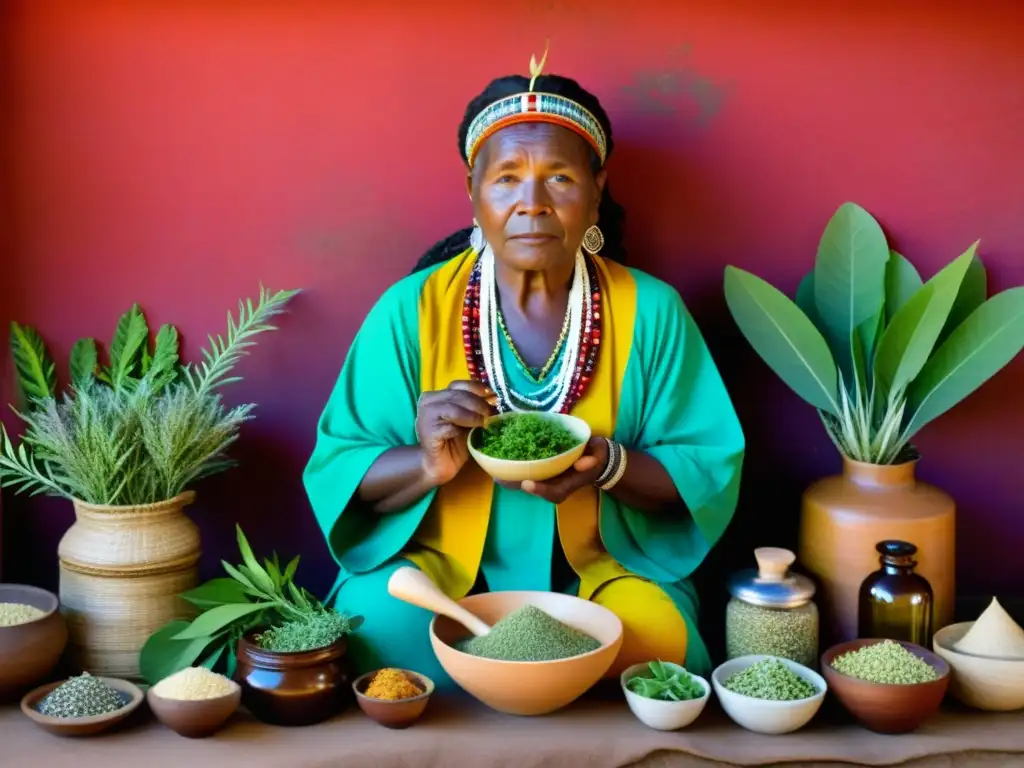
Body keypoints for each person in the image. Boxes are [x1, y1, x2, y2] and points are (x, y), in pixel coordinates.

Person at [303, 48, 745, 688]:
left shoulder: (651, 311)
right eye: (506, 176)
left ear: (595, 196)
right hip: (443, 572)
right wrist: (428, 462)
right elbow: (340, 464)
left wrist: (607, 466)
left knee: (653, 641)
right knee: (376, 630)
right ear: (474, 195)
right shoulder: (411, 309)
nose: (531, 201)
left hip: (599, 574)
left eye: (560, 178)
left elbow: (704, 468)